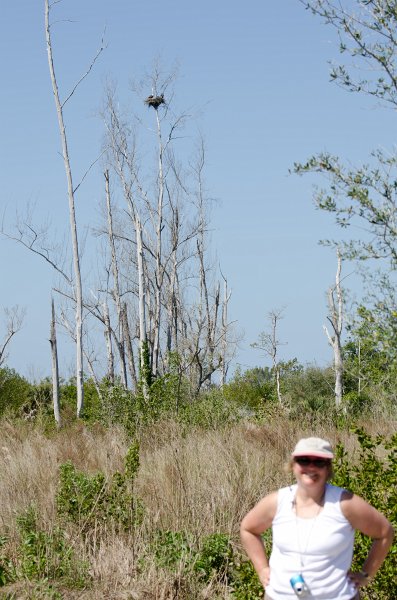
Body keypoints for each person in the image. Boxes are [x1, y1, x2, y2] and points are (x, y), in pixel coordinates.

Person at [240, 437, 394, 599]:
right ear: (293, 465)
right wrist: (262, 569)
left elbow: (384, 532)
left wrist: (366, 574)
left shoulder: (345, 503)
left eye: (319, 462)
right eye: (304, 460)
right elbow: (248, 529)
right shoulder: (277, 501)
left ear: (328, 468)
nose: (311, 467)